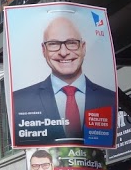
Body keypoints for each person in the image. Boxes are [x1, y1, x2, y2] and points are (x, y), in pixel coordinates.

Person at [11, 14, 117, 146]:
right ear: (44, 50)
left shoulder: (108, 98)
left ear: (83, 48)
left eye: (71, 43)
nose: (63, 52)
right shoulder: (21, 100)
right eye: (54, 44)